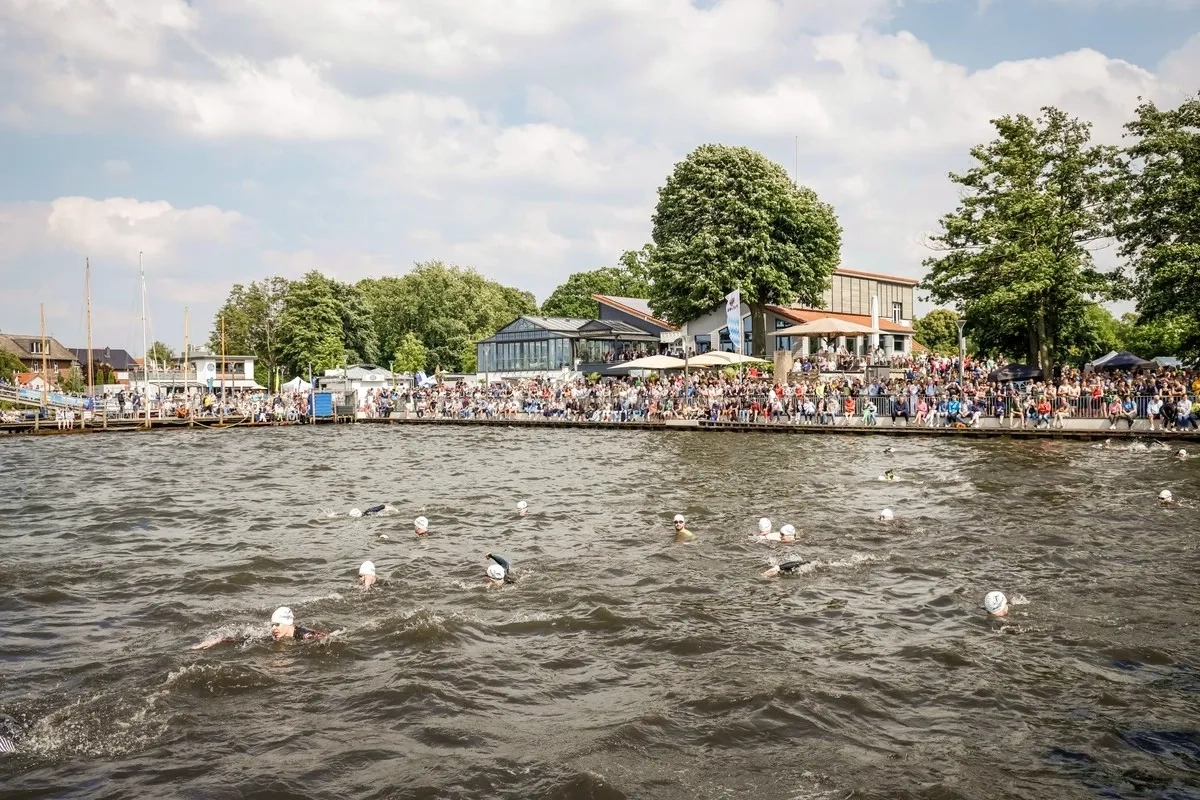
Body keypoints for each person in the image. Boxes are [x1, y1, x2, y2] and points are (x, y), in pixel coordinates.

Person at [190, 607, 328, 649]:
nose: (274, 628)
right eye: (272, 625)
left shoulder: (304, 635)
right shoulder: (275, 636)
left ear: (288, 624)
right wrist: (218, 640)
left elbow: (325, 638)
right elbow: (244, 640)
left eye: (277, 624)